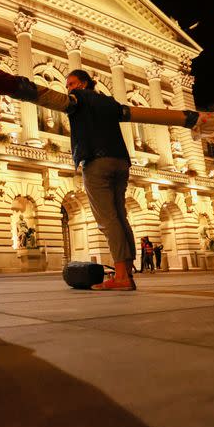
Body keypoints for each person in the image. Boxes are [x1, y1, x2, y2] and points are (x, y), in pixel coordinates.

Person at [64, 69, 136, 290]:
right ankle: (128, 273)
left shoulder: (78, 98)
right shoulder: (110, 101)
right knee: (121, 216)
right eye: (67, 85)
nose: (69, 88)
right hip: (121, 161)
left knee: (108, 220)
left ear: (84, 84)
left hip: (97, 161)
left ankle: (122, 277)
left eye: (72, 83)